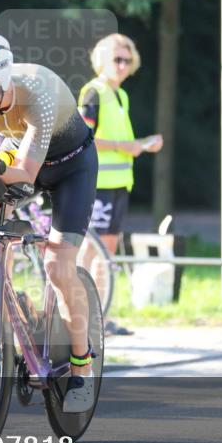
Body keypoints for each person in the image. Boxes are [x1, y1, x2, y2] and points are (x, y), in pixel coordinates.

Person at [0, 32, 98, 413]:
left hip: (70, 166)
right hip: (21, 155)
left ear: (6, 80)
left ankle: (82, 365)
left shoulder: (37, 92)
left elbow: (26, 172)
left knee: (58, 266)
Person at [79, 34, 163, 334]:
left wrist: (141, 144)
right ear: (102, 60)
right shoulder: (93, 93)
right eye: (117, 59)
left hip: (118, 184)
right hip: (97, 183)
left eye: (128, 60)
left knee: (107, 252)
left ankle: (100, 316)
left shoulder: (121, 95)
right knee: (91, 250)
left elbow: (121, 144)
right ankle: (79, 315)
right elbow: (83, 137)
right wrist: (124, 146)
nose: (123, 65)